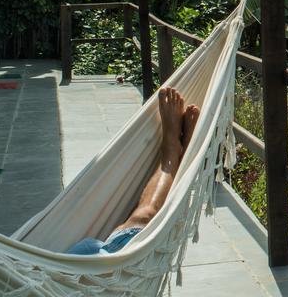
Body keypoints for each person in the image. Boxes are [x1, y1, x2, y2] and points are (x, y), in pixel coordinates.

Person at [66, 87, 199, 255]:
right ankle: (172, 151)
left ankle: (177, 157)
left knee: (129, 230)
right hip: (94, 267)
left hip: (85, 261)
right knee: (143, 220)